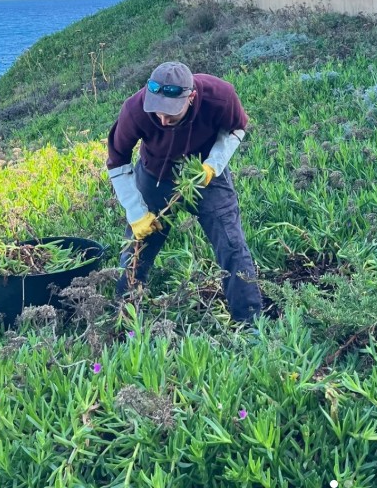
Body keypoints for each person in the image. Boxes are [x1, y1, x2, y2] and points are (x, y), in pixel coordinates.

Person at [106, 61, 262, 323]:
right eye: (157, 112)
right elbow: (117, 161)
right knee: (137, 249)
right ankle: (126, 318)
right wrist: (136, 212)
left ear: (191, 97)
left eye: (171, 114)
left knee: (231, 244)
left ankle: (250, 321)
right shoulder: (135, 109)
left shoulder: (220, 96)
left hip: (205, 176)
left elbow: (236, 128)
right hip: (154, 177)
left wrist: (213, 165)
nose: (163, 120)